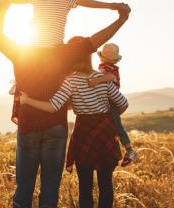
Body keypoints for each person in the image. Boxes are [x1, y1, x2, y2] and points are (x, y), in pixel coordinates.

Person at [0, 0, 131, 208]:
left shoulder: (22, 51)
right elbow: (95, 41)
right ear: (60, 25)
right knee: (50, 186)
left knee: (24, 186)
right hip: (56, 127)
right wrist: (120, 19)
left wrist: (2, 10)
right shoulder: (64, 53)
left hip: (28, 125)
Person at [19, 43, 129, 206]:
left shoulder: (71, 81)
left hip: (84, 133)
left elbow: (53, 106)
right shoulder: (101, 78)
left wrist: (27, 100)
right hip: (106, 132)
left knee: (85, 186)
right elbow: (123, 103)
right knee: (106, 184)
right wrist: (107, 120)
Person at [7, 0, 123, 125]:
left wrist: (111, 6)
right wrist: (9, 1)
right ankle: (19, 110)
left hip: (56, 49)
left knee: (68, 72)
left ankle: (64, 103)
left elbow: (87, 2)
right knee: (24, 76)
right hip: (35, 48)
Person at [88, 43, 137, 166]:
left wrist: (96, 81)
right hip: (110, 99)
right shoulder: (108, 66)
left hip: (111, 100)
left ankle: (130, 150)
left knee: (117, 125)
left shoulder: (108, 68)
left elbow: (109, 77)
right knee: (114, 124)